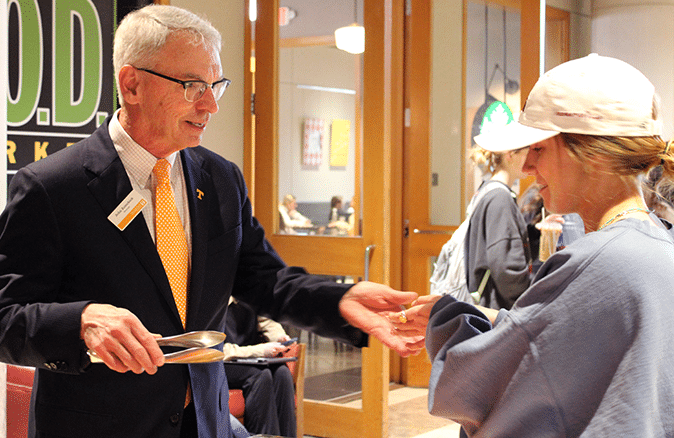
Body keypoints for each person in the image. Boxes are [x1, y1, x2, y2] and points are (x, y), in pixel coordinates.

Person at [0, 5, 425, 438]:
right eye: (192, 86)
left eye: (215, 85)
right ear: (132, 85)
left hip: (204, 422)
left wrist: (340, 299)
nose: (210, 105)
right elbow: (5, 315)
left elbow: (266, 282)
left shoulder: (219, 178)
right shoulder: (53, 187)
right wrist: (82, 320)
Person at [408, 54, 674, 437]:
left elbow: (472, 390)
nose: (528, 167)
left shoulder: (596, 261)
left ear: (591, 153)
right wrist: (498, 320)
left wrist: (448, 320)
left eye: (540, 148)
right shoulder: (654, 242)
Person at [464, 138, 533, 309]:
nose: (533, 160)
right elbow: (507, 270)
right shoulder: (500, 199)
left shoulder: (487, 190)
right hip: (497, 310)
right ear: (510, 155)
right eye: (528, 152)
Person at [223, 297, 296, 437]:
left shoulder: (248, 293)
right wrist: (260, 350)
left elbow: (266, 320)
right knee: (260, 376)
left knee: (282, 372)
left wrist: (279, 337)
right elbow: (221, 351)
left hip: (248, 358)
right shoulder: (213, 299)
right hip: (222, 362)